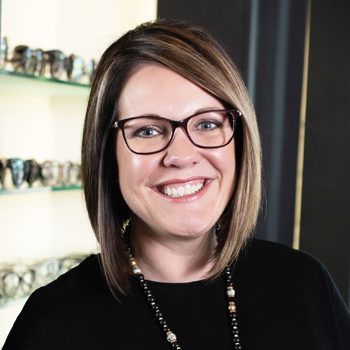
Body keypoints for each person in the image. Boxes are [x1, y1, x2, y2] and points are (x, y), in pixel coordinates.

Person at [3, 19, 350, 350]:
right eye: (147, 131)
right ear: (108, 155)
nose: (182, 155)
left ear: (240, 141)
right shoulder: (52, 324)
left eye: (207, 124)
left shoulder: (305, 285)